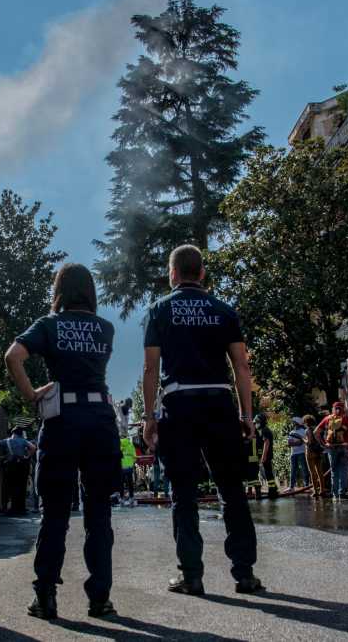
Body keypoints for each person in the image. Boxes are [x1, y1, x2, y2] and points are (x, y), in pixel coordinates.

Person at [142, 244, 263, 597]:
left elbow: (151, 367)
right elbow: (241, 365)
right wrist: (246, 414)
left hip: (180, 403)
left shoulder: (159, 310)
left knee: (183, 493)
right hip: (219, 401)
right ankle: (244, 573)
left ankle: (191, 575)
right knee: (231, 489)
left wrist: (150, 416)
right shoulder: (223, 310)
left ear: (173, 273)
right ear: (202, 273)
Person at [5, 263, 120, 620]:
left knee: (55, 512)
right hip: (101, 421)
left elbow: (13, 356)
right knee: (98, 513)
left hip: (62, 421)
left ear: (59, 292)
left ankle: (46, 597)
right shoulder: (106, 328)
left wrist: (32, 395)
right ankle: (99, 598)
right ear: (90, 292)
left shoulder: (49, 325)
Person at [0, 427, 36, 515]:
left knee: (8, 486)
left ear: (12, 433)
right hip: (22, 467)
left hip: (10, 467)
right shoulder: (23, 441)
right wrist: (27, 456)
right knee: (21, 487)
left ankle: (7, 508)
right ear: (20, 433)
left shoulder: (6, 441)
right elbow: (33, 447)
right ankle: (20, 508)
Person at [315, 402, 348, 500]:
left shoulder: (327, 419)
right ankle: (342, 493)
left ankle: (335, 494)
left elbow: (316, 432)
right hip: (344, 447)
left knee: (334, 471)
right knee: (343, 471)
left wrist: (323, 444)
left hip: (331, 447)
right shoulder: (346, 419)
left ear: (333, 408)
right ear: (343, 408)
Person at [303, 414, 329, 498]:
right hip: (318, 452)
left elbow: (309, 442)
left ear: (306, 422)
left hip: (310, 452)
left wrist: (303, 440)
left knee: (312, 472)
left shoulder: (307, 430)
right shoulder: (318, 429)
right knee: (320, 472)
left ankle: (315, 491)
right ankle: (322, 490)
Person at [254, 414, 278, 499]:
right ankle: (272, 490)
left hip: (266, 455)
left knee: (268, 473)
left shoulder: (264, 430)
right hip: (266, 455)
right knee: (269, 474)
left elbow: (266, 443)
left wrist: (263, 456)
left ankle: (272, 491)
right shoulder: (264, 430)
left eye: (257, 422)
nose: (256, 424)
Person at [285, 417, 309, 493]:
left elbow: (301, 443)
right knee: (293, 470)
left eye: (293, 422)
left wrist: (294, 443)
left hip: (302, 452)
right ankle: (291, 487)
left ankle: (306, 486)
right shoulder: (291, 432)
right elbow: (289, 443)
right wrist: (296, 442)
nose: (292, 424)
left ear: (297, 423)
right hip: (293, 453)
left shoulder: (303, 431)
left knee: (304, 469)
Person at [120, 433, 137, 506]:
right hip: (129, 467)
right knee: (130, 483)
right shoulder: (130, 445)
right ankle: (131, 497)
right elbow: (134, 456)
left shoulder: (118, 445)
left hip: (121, 467)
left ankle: (122, 498)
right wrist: (131, 463)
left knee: (121, 483)